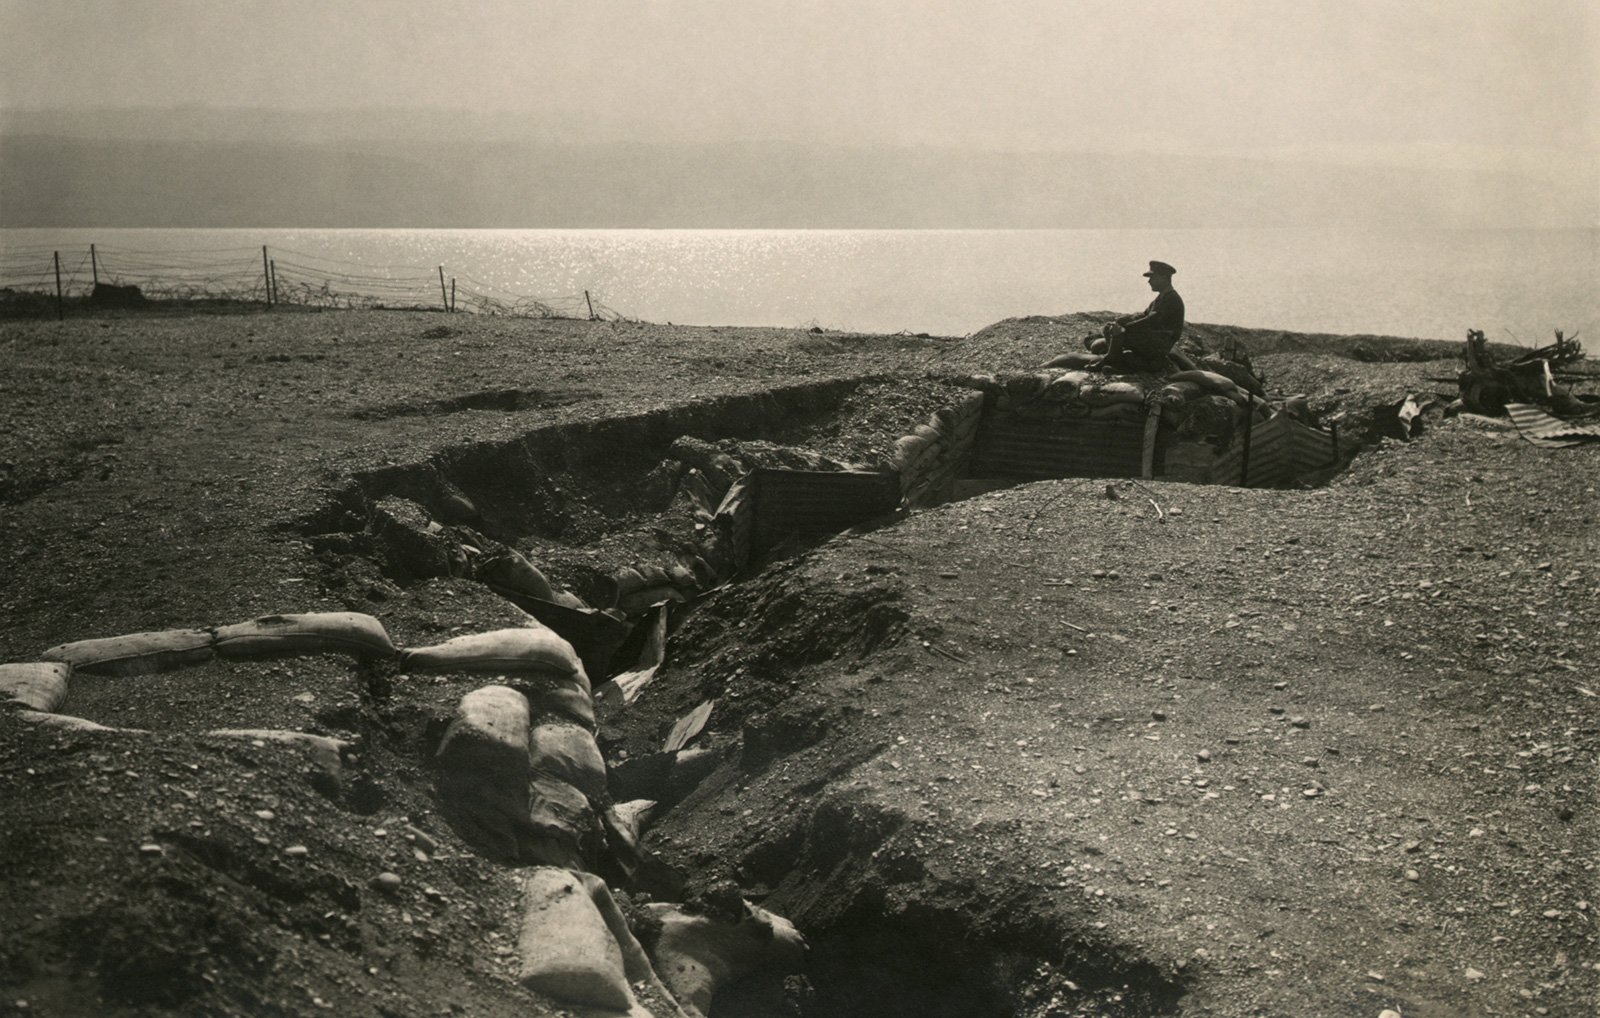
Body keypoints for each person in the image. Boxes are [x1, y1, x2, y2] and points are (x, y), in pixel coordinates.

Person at [1085, 260, 1185, 373]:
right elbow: (1143, 315)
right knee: (1110, 328)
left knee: (1120, 333)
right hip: (1152, 340)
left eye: (1153, 277)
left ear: (1163, 278)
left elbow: (1151, 320)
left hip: (1160, 344)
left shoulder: (1171, 299)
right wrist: (1122, 321)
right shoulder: (1160, 298)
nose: (1149, 281)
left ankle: (1112, 360)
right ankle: (1117, 359)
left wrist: (1125, 328)